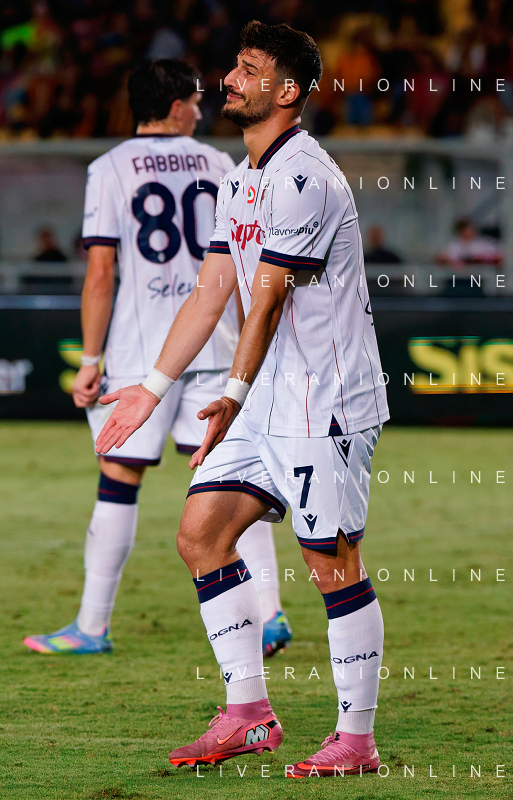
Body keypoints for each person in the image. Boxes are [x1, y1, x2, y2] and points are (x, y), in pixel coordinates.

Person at [94, 22, 390, 777]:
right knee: (201, 535)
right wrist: (149, 391)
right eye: (233, 66)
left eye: (248, 69)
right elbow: (210, 293)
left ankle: (356, 741)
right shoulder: (239, 179)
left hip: (324, 397)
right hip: (264, 396)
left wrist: (229, 392)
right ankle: (248, 713)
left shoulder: (305, 178)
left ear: (286, 91)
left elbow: (266, 300)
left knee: (331, 562)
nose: (228, 78)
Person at [23, 59, 290, 662]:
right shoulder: (221, 164)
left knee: (118, 480)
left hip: (140, 355)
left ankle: (92, 626)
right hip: (215, 345)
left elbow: (101, 272)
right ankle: (270, 615)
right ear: (174, 107)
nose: (200, 109)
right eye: (194, 100)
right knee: (230, 481)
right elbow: (242, 266)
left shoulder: (109, 167)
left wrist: (89, 358)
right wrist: (248, 349)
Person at [437, 218, 502, 267]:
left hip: (481, 275)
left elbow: (497, 255)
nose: (470, 231)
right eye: (466, 229)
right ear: (461, 231)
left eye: (471, 228)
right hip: (460, 276)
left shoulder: (484, 243)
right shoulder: (455, 245)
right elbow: (448, 257)